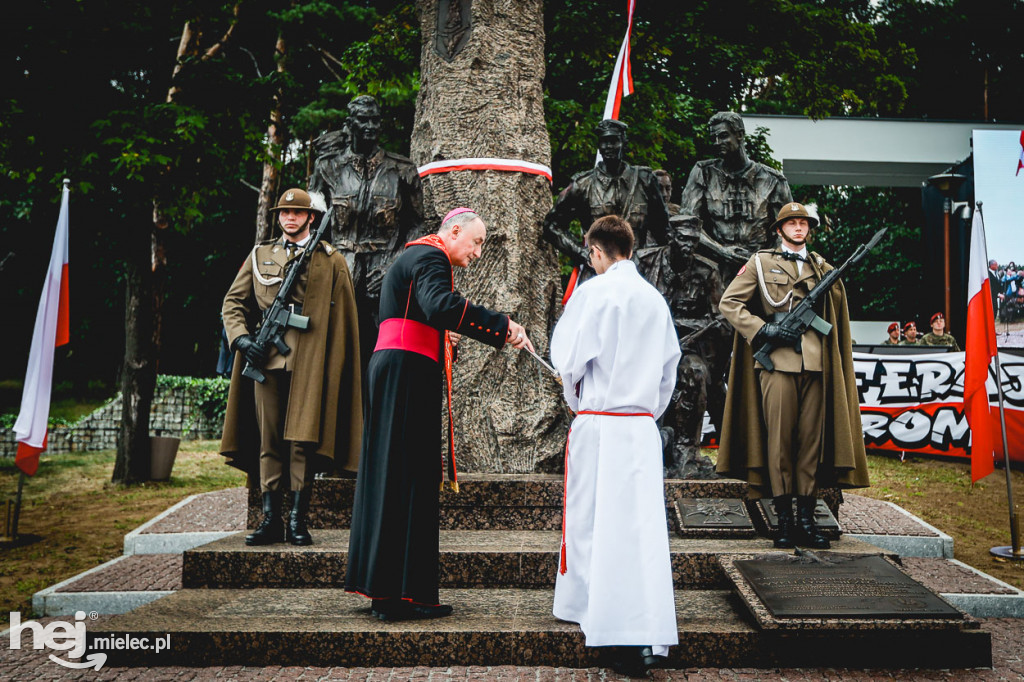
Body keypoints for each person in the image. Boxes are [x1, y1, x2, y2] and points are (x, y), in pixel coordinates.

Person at [345, 208, 534, 621]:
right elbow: (440, 306)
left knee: (391, 474)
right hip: (407, 373)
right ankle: (401, 596)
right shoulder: (432, 257)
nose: (478, 253)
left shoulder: (413, 256)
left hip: (395, 369)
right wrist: (502, 327)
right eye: (477, 242)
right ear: (453, 231)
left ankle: (386, 591)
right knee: (408, 476)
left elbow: (421, 312)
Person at [550, 215, 680, 676]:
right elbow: (669, 372)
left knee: (594, 522)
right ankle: (645, 630)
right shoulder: (654, 300)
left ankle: (606, 624)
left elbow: (567, 362)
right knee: (641, 529)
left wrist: (578, 403)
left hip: (601, 423)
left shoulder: (593, 293)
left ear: (596, 252)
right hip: (640, 428)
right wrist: (645, 413)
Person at [716, 202, 869, 549]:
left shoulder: (822, 267)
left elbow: (836, 310)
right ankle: (783, 520)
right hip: (778, 364)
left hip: (815, 364)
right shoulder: (760, 262)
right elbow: (730, 304)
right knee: (780, 442)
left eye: (803, 223)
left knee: (810, 445)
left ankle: (806, 520)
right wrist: (764, 331)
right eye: (792, 223)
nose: (799, 228)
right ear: (779, 228)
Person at [220, 188, 362, 546]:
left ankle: (298, 520)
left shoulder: (331, 260)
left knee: (300, 442)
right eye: (284, 213)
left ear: (310, 218)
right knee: (269, 440)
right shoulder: (260, 254)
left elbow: (344, 320)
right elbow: (233, 303)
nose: (289, 218)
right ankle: (271, 519)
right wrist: (242, 340)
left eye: (297, 213)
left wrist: (335, 369)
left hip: (310, 361)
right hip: (266, 359)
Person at [308, 95, 426, 377]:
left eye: (375, 120)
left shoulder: (403, 170)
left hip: (384, 278)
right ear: (350, 124)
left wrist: (393, 265)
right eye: (364, 120)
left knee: (381, 359)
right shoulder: (327, 168)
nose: (371, 126)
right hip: (338, 274)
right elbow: (313, 225)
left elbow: (419, 226)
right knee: (333, 358)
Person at [543, 119, 669, 290]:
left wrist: (650, 259)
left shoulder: (645, 181)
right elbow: (551, 226)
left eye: (614, 140)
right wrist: (582, 253)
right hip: (597, 275)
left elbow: (662, 230)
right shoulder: (583, 184)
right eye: (604, 141)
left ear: (623, 143)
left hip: (638, 274)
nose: (609, 146)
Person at [680, 111, 793, 284]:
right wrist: (720, 250)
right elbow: (687, 224)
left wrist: (763, 260)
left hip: (763, 272)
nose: (717, 143)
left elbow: (787, 231)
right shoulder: (703, 173)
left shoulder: (773, 181)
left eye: (724, 136)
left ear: (739, 135)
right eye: (714, 138)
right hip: (715, 271)